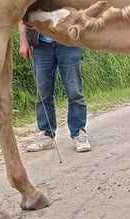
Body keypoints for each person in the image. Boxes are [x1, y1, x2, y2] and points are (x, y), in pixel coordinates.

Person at [19, 20, 91, 152]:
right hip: (41, 45)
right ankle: (46, 134)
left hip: (69, 42)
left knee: (74, 92)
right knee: (43, 93)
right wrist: (24, 42)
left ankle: (78, 132)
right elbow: (24, 16)